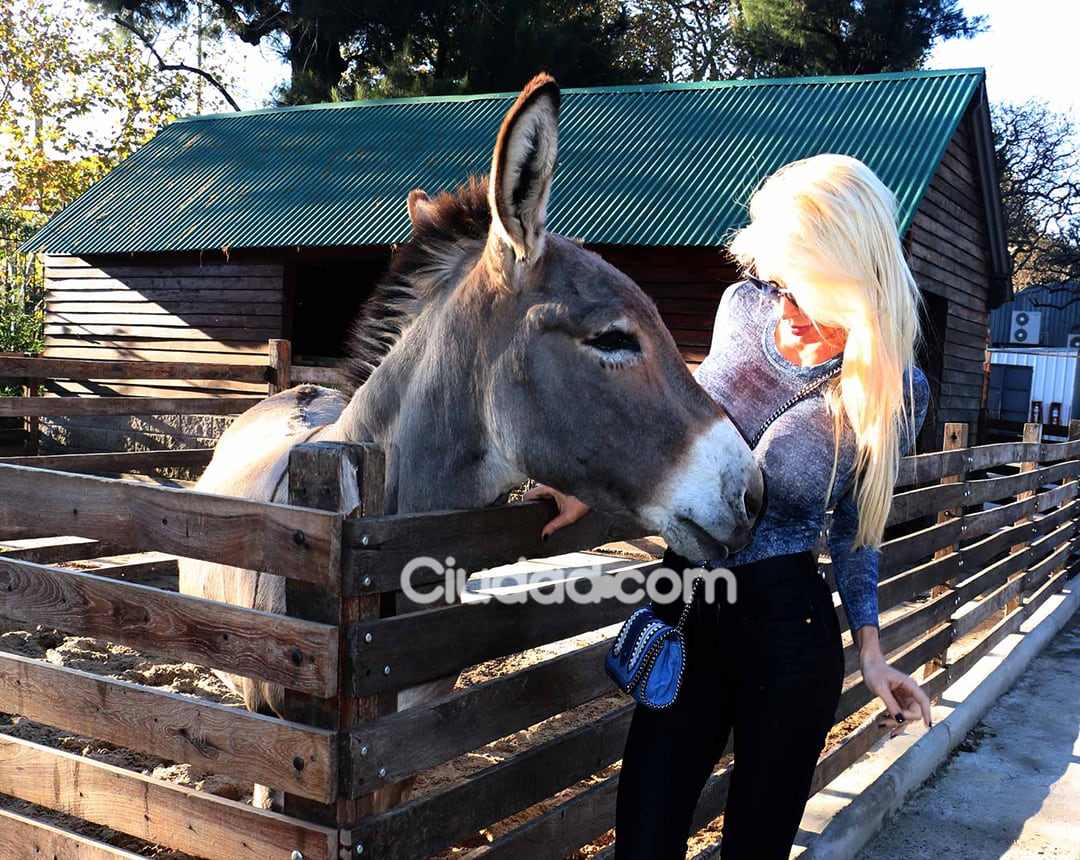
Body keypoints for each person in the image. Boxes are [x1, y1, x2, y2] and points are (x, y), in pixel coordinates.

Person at [526, 153, 933, 859]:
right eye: (777, 283)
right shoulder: (741, 312)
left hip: (788, 631)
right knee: (645, 835)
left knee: (756, 846)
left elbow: (855, 532)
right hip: (683, 599)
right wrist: (583, 485)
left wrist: (871, 653)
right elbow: (673, 434)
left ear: (857, 281)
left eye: (806, 290)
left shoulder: (898, 390)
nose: (786, 307)